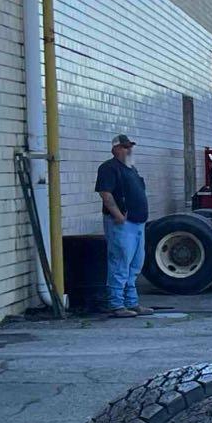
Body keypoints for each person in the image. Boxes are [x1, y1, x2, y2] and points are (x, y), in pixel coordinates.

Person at [95, 134, 151, 317]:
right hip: (122, 224)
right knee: (120, 263)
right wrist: (118, 215)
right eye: (125, 147)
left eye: (130, 147)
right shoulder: (108, 168)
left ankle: (131, 302)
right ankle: (116, 304)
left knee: (134, 264)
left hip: (137, 223)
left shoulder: (130, 169)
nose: (129, 150)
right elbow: (105, 193)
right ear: (115, 149)